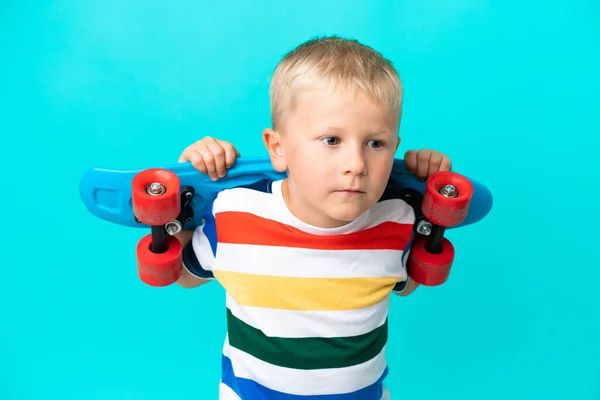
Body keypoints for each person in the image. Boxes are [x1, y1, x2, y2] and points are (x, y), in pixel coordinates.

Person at [174, 36, 452, 399]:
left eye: (375, 144)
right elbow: (181, 275)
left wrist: (429, 194)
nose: (356, 165)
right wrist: (179, 203)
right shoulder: (234, 214)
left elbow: (407, 283)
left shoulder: (397, 220)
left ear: (395, 149)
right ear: (278, 148)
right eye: (332, 140)